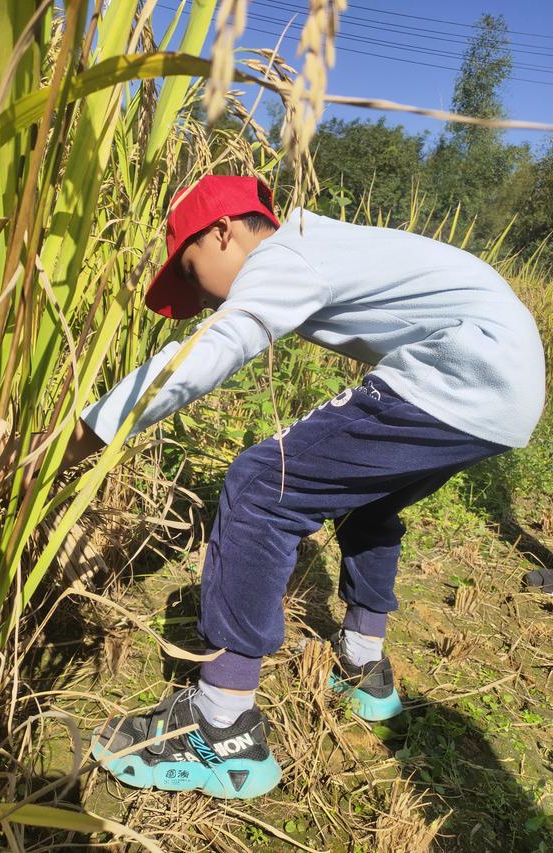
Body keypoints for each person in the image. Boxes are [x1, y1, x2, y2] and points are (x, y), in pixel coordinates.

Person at [61, 175, 545, 799]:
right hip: (505, 385)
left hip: (462, 369)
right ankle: (364, 665)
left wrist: (80, 436)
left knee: (263, 486)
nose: (200, 298)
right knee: (368, 499)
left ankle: (222, 724)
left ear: (223, 232)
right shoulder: (320, 247)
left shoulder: (284, 253)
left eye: (189, 270)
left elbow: (214, 347)